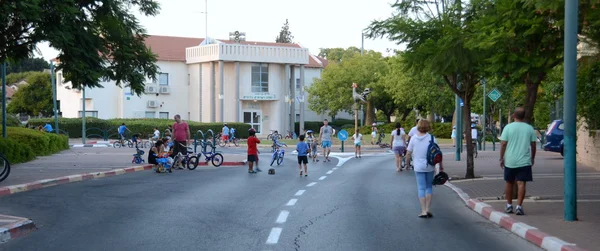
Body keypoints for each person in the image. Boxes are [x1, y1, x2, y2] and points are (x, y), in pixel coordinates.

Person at [500, 107, 537, 216]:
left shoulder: (508, 127)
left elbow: (503, 144)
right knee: (521, 183)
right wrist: (532, 157)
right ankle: (519, 206)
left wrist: (501, 158)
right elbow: (533, 145)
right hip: (524, 161)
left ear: (513, 116)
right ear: (524, 116)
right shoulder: (529, 128)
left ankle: (509, 205)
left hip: (510, 160)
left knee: (509, 182)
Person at [406, 119, 440, 218]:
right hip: (430, 165)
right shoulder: (432, 138)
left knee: (421, 188)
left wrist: (407, 164)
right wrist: (440, 166)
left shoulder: (414, 138)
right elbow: (438, 153)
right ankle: (428, 208)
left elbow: (408, 153)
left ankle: (423, 210)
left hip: (418, 166)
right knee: (429, 187)